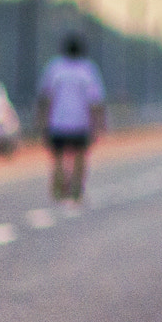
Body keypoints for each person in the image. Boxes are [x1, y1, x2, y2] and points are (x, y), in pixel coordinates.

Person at [38, 35, 105, 202]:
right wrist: (98, 123)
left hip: (58, 122)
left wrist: (41, 121)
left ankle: (59, 190)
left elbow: (45, 97)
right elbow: (95, 101)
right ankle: (76, 188)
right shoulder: (88, 70)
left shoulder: (55, 68)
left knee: (59, 158)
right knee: (81, 156)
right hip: (81, 123)